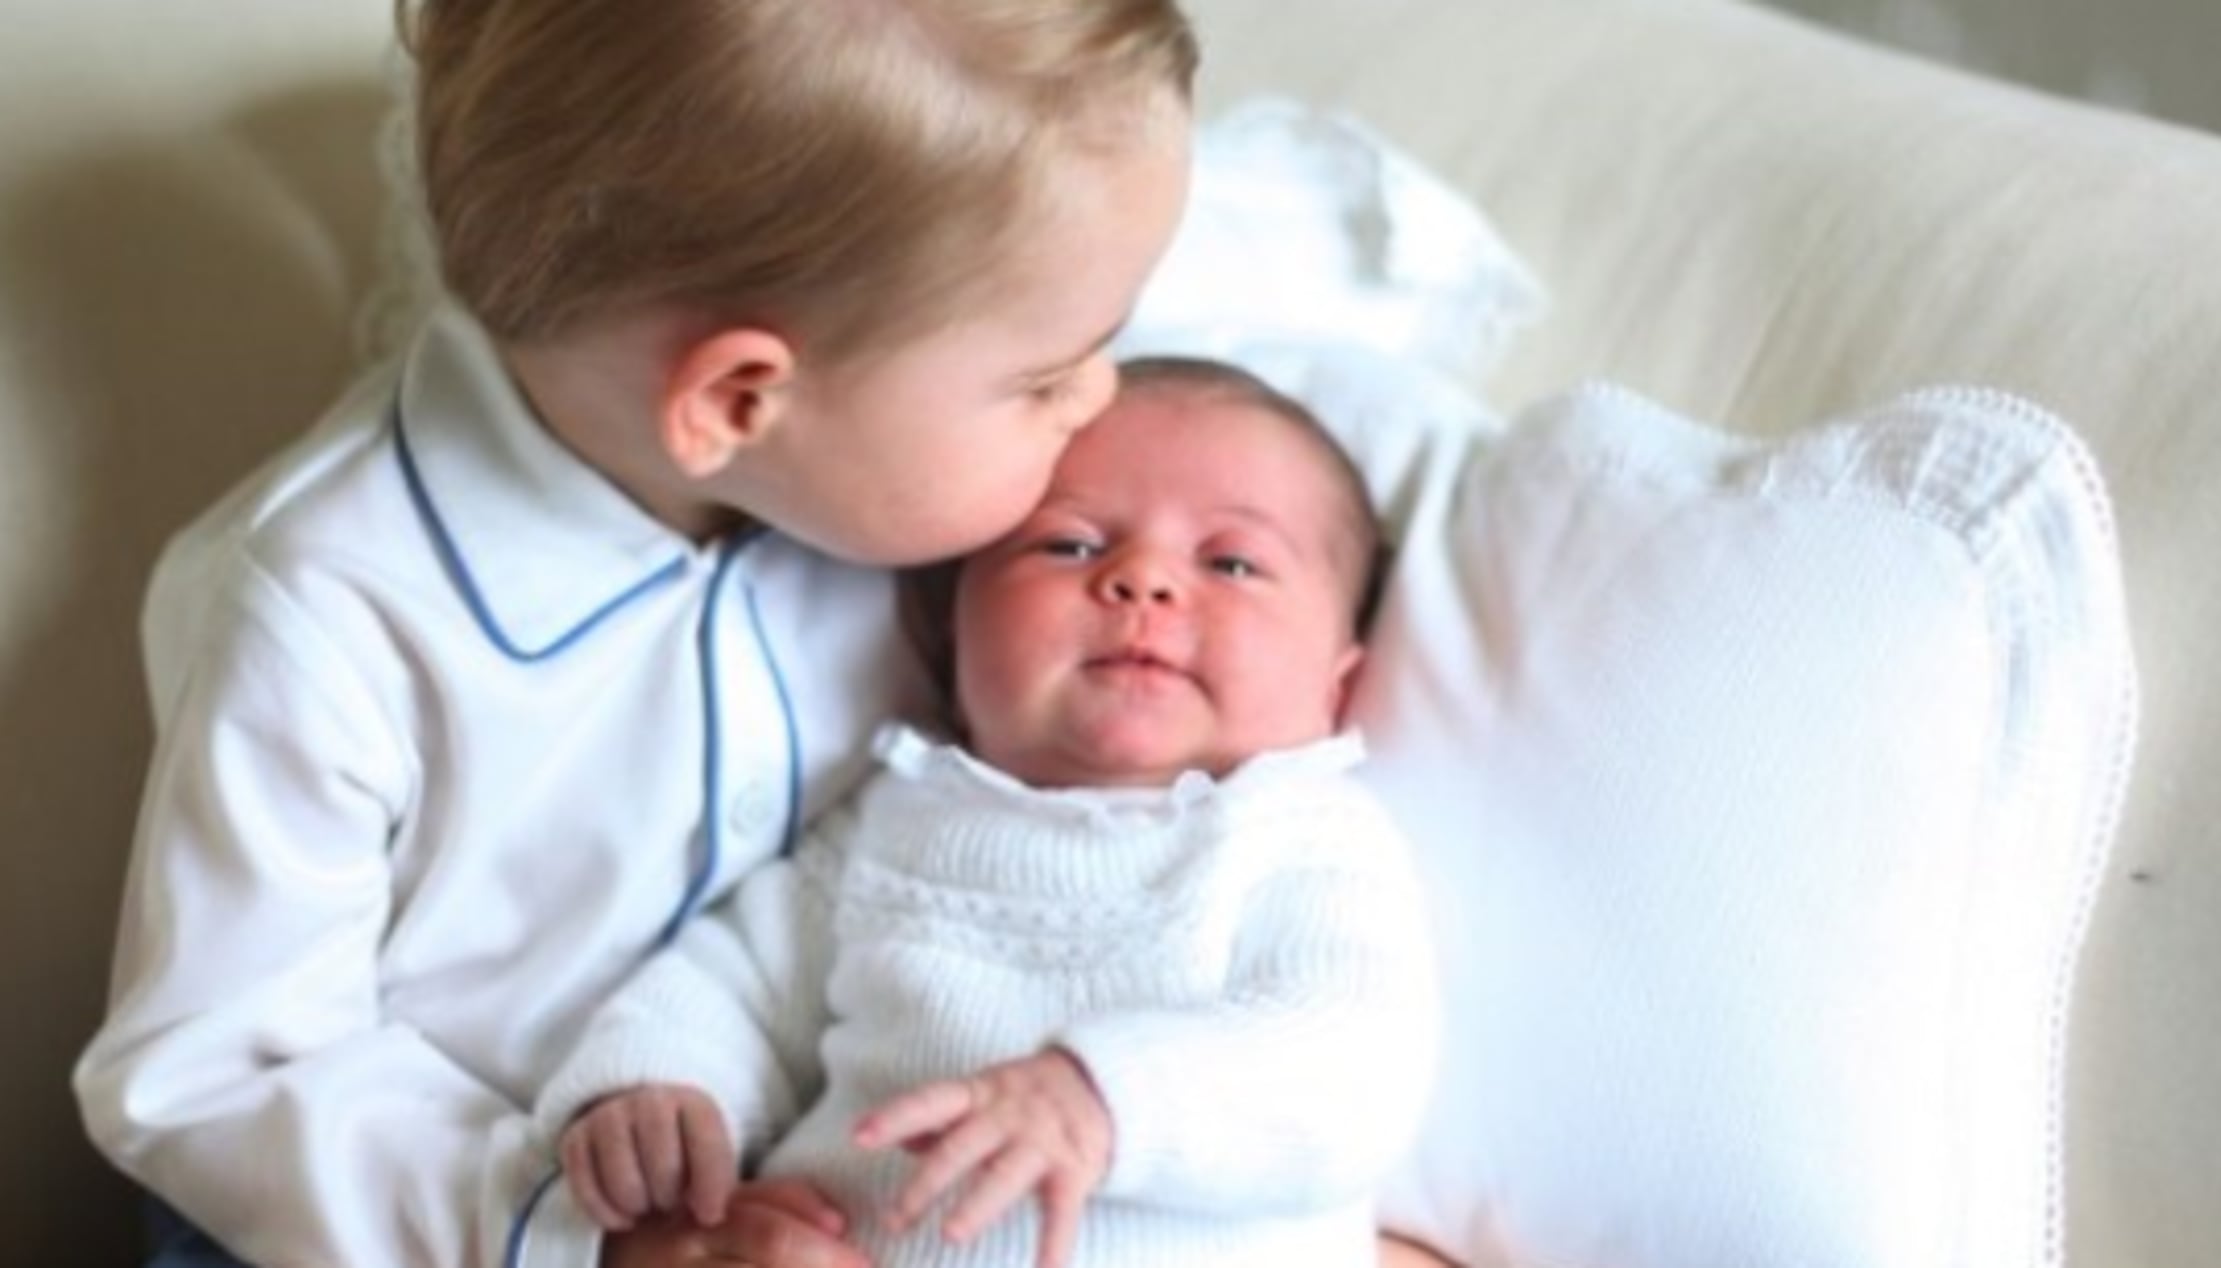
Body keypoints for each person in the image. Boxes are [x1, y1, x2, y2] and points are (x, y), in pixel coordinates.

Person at [71, 1, 1197, 1265]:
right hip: (407, 1218)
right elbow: (217, 1076)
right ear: (736, 398)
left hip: (821, 1168)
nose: (1100, 395)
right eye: (1045, 379)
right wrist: (581, 1239)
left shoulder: (888, 480)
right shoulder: (329, 609)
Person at [537, 357, 1438, 1268]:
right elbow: (740, 981)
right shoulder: (898, 821)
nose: (1143, 581)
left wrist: (1102, 1099)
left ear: (1340, 684)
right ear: (951, 630)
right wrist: (657, 1085)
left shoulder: (1304, 840)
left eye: (1234, 562)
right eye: (1071, 545)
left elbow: (1353, 1070)